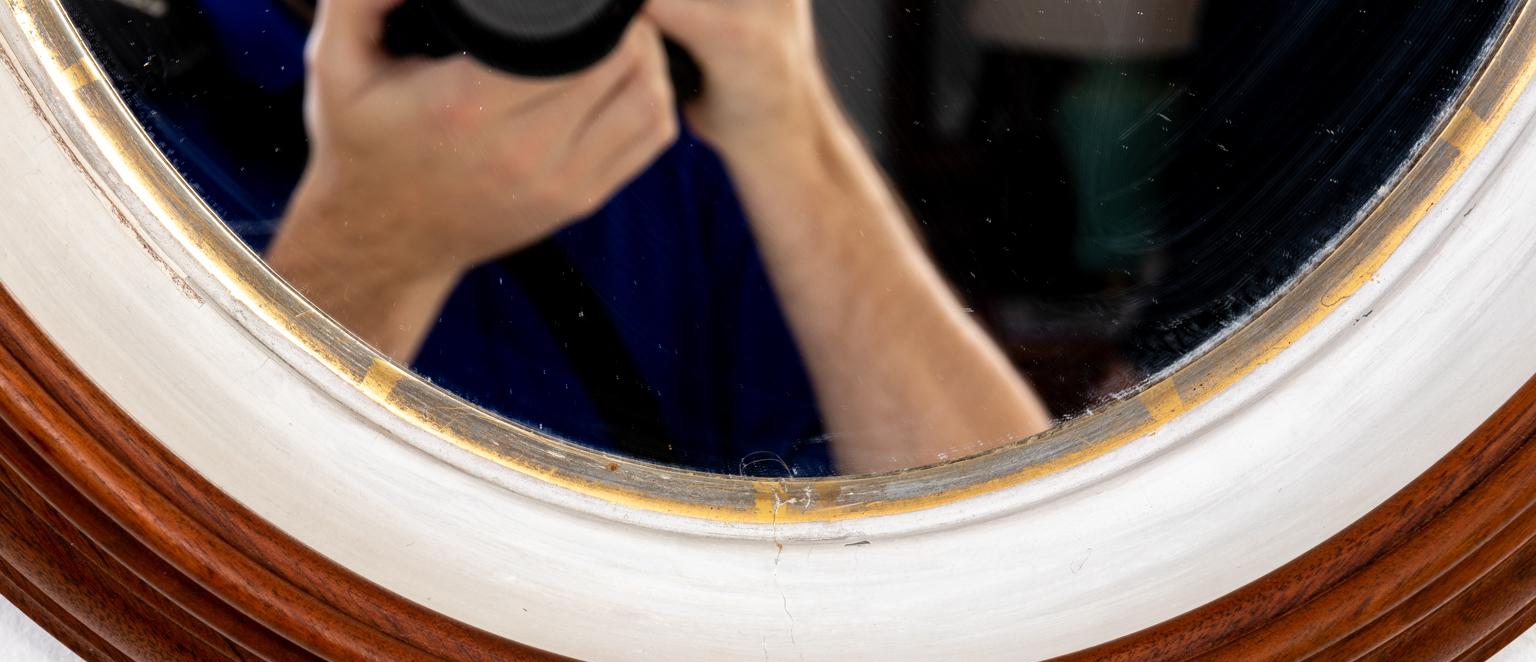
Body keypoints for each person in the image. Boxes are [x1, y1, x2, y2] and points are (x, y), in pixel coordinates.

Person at [74, 0, 1051, 474]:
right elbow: (111, 650)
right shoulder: (90, 113)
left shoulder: (668, 106)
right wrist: (373, 245)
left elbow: (1014, 575)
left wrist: (789, 126)